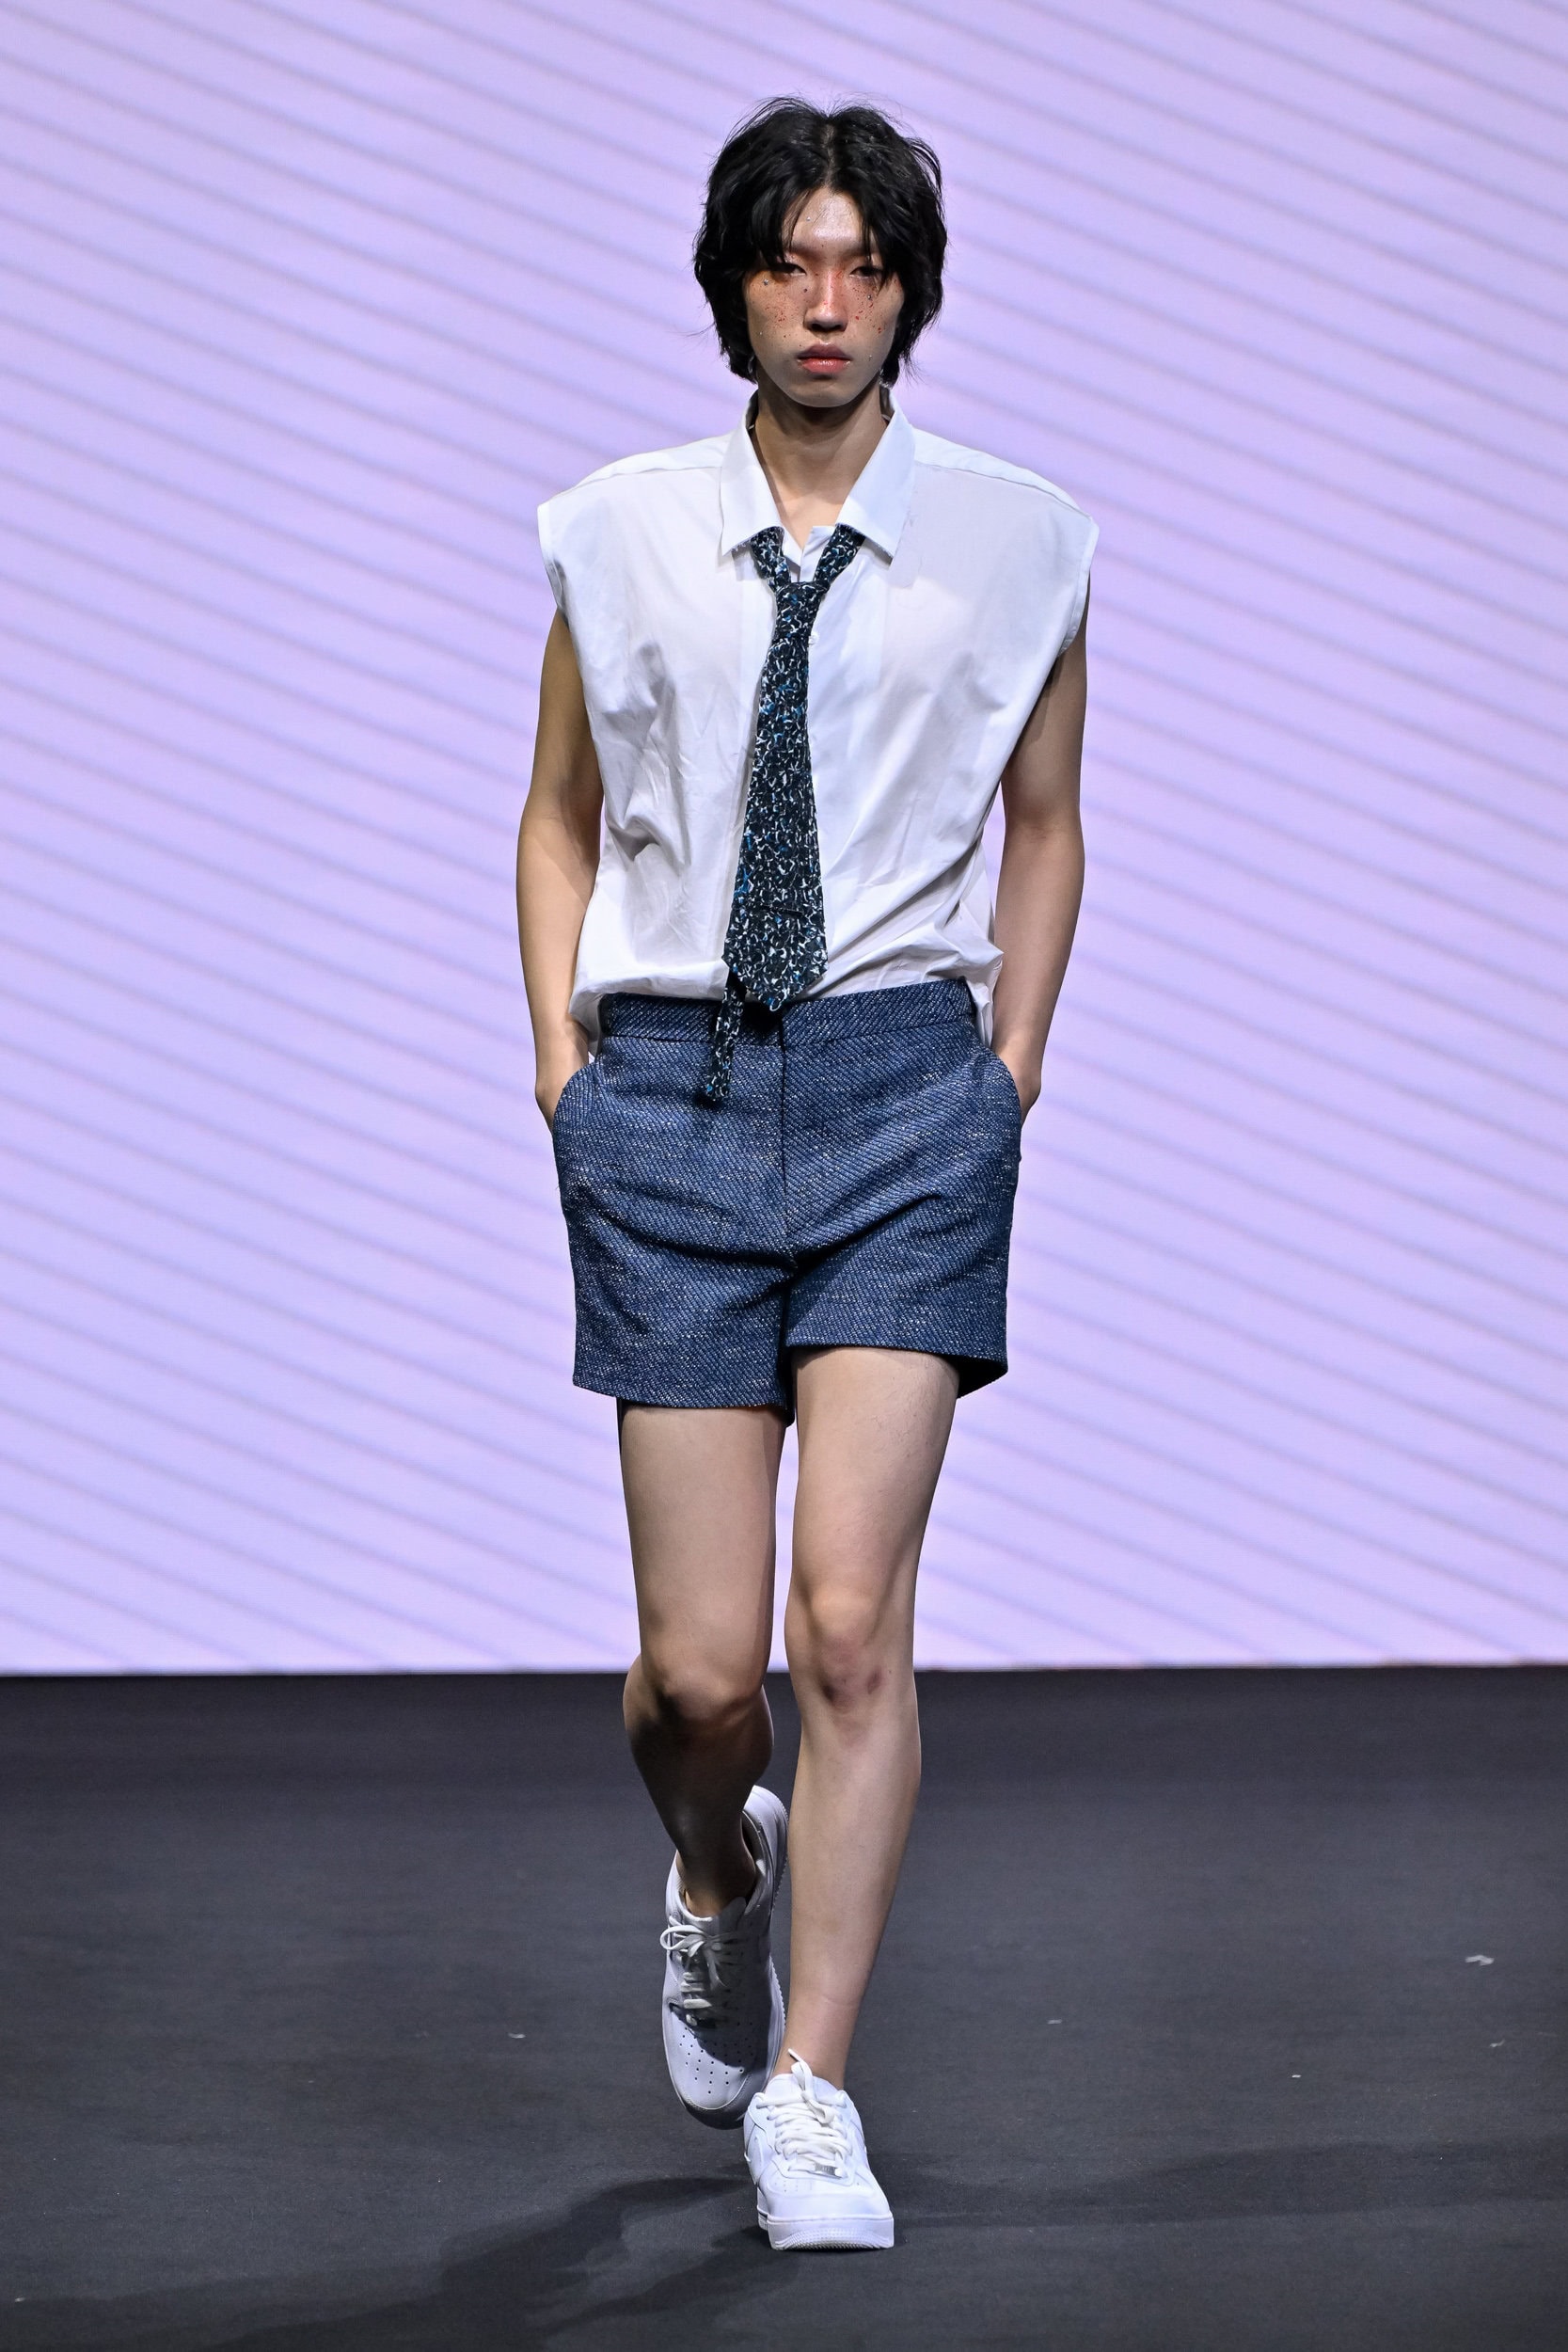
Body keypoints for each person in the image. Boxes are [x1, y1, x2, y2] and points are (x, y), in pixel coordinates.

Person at [517, 97, 1094, 2253]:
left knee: (848, 1623)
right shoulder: (617, 529)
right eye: (790, 262)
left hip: (902, 1094)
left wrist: (1004, 1075)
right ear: (736, 286)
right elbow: (558, 810)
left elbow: (1048, 818)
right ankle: (714, 1864)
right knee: (698, 1677)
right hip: (668, 1089)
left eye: (863, 264)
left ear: (909, 291)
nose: (826, 303)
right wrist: (565, 1068)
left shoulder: (1025, 539)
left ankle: (811, 2080)